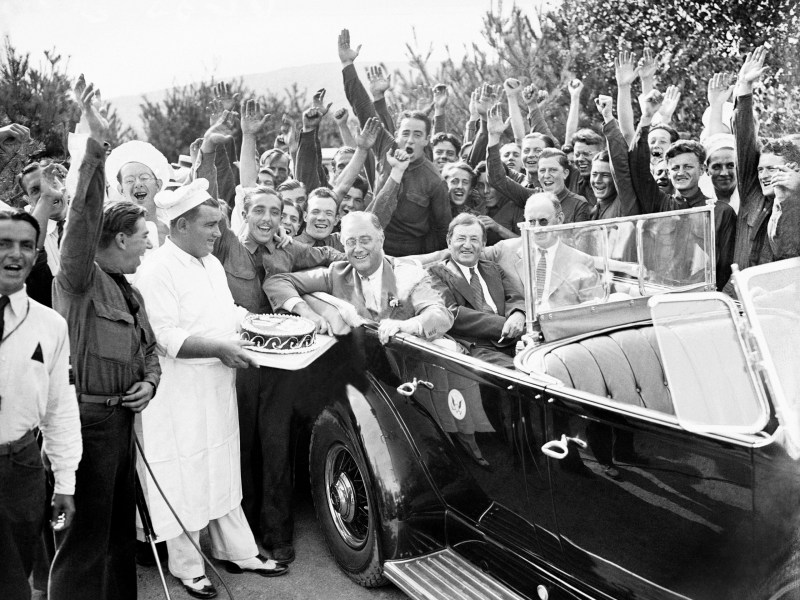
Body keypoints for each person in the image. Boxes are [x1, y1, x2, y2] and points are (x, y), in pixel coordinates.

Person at [135, 180, 288, 599]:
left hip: (217, 387)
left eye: (219, 224)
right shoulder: (156, 270)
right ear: (181, 226)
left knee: (221, 466)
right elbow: (164, 337)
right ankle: (188, 567)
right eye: (209, 225)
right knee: (184, 475)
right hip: (179, 395)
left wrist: (261, 325)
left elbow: (227, 312)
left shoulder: (210, 263)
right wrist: (220, 348)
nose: (218, 233)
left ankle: (237, 551)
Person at [50, 76, 161, 600]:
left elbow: (149, 352)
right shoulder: (78, 279)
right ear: (119, 237)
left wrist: (150, 384)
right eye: (142, 239)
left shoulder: (130, 292)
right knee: (83, 542)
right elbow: (81, 219)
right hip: (84, 424)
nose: (147, 247)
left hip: (120, 424)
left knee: (118, 537)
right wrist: (93, 149)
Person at [0, 209, 81, 600]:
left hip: (20, 468)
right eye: (4, 243)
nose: (15, 254)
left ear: (36, 254)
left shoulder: (50, 325)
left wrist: (65, 482)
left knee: (15, 580)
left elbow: (59, 409)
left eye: (26, 245)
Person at [339, 29, 451, 255]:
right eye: (406, 133)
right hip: (370, 244)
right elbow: (363, 109)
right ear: (397, 134)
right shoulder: (386, 148)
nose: (410, 140)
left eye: (417, 135)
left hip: (409, 253)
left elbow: (442, 229)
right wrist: (347, 65)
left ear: (426, 140)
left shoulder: (434, 180)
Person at [265, 210, 454, 344]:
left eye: (365, 240)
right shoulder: (337, 273)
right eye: (351, 242)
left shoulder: (407, 273)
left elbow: (440, 315)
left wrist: (408, 325)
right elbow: (277, 282)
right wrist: (307, 313)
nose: (358, 249)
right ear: (343, 245)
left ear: (381, 239)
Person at [630, 94, 736, 291]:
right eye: (675, 168)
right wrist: (646, 119)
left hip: (702, 297)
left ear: (702, 170)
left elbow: (724, 266)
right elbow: (637, 168)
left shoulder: (721, 212)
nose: (680, 173)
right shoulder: (660, 204)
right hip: (660, 293)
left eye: (688, 167)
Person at [427, 213, 525, 368]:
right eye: (461, 239)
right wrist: (504, 324)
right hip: (477, 347)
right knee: (522, 375)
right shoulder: (435, 273)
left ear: (483, 244)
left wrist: (518, 314)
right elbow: (451, 313)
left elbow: (514, 297)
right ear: (449, 242)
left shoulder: (493, 268)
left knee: (548, 366)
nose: (467, 245)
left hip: (516, 340)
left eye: (474, 239)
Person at [525, 192, 603, 311]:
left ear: (560, 219)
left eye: (543, 221)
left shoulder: (582, 261)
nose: (536, 228)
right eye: (531, 222)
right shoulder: (507, 252)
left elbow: (596, 311)